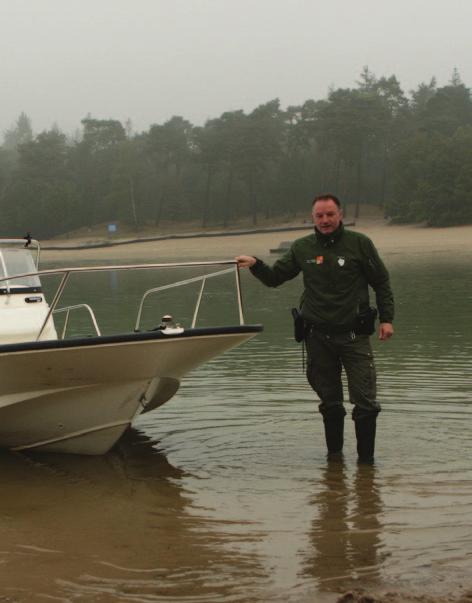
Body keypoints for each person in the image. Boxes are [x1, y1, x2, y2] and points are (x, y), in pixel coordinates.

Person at [236, 194, 394, 463]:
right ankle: (335, 461)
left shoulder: (360, 244)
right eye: (319, 216)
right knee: (330, 403)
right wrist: (256, 265)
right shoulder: (302, 248)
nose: (325, 220)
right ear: (313, 218)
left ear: (340, 214)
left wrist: (387, 319)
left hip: (354, 336)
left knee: (366, 404)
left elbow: (381, 281)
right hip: (318, 337)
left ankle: (366, 468)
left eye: (330, 214)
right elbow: (275, 278)